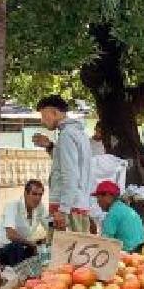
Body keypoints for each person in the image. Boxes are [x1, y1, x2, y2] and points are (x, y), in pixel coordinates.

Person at [32, 95, 95, 233]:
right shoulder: (78, 134)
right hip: (77, 205)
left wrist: (63, 209)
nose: (43, 121)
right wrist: (50, 146)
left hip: (67, 208)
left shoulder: (67, 135)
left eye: (44, 115)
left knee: (60, 252)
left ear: (54, 112)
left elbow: (71, 175)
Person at [0, 180, 49, 267]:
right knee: (17, 247)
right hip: (2, 250)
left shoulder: (40, 208)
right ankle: (20, 276)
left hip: (21, 247)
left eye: (40, 195)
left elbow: (50, 227)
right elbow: (11, 235)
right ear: (26, 194)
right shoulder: (12, 205)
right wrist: (32, 244)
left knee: (43, 247)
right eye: (34, 194)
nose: (37, 198)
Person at [93, 180, 144, 252]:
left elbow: (104, 242)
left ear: (108, 196)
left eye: (98, 198)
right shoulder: (125, 209)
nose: (98, 202)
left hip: (128, 254)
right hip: (140, 251)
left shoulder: (113, 213)